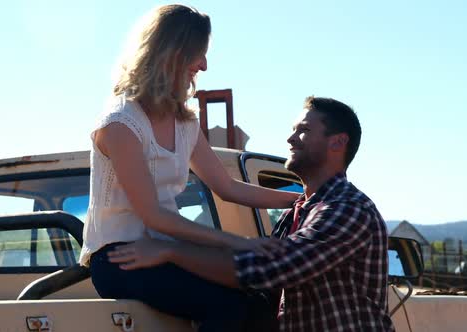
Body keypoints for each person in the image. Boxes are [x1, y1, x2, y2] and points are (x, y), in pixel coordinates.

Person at [79, 4, 299, 332]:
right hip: (122, 257)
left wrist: (300, 199)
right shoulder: (121, 123)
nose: (205, 66)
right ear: (172, 55)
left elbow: (227, 186)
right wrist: (239, 242)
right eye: (199, 54)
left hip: (167, 249)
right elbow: (154, 215)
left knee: (261, 298)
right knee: (226, 305)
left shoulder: (185, 122)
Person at [108, 96, 396, 332]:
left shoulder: (347, 209)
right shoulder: (298, 213)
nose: (291, 138)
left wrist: (171, 252)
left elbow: (267, 268)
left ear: (337, 143)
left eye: (303, 131)